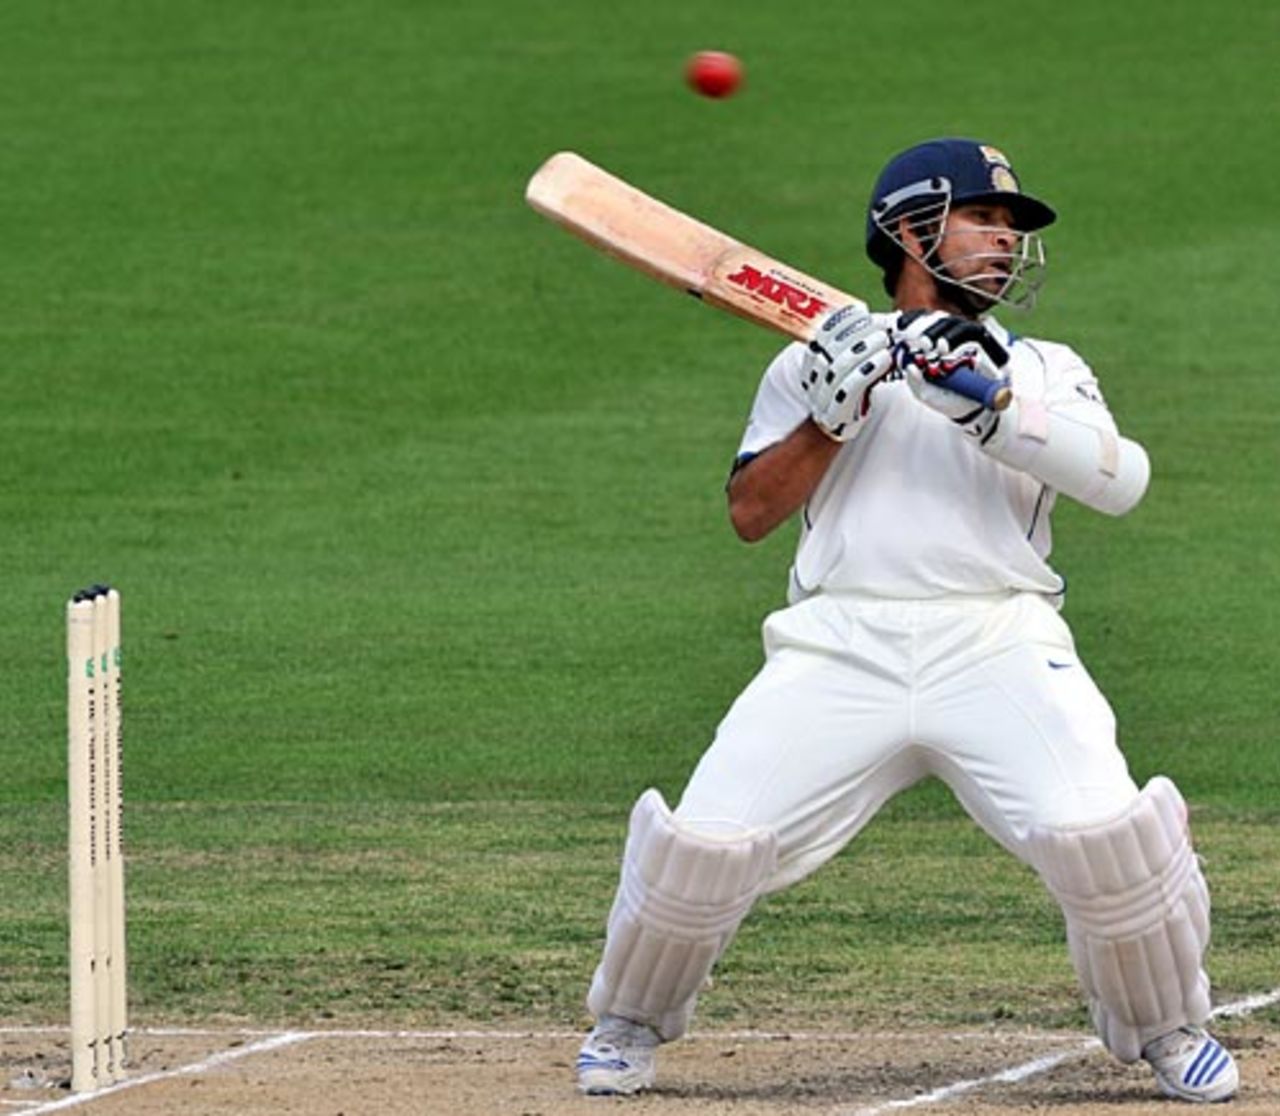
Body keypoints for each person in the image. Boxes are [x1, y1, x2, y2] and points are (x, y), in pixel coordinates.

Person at [573, 138, 1237, 1105]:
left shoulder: (1042, 366)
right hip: (839, 642)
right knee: (702, 850)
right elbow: (751, 513)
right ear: (912, 230)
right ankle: (628, 1022)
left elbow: (1120, 481)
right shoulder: (812, 360)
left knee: (1105, 839)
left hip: (1001, 639)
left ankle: (1169, 1028)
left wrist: (990, 407)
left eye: (1011, 227)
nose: (1005, 242)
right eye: (985, 220)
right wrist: (832, 417)